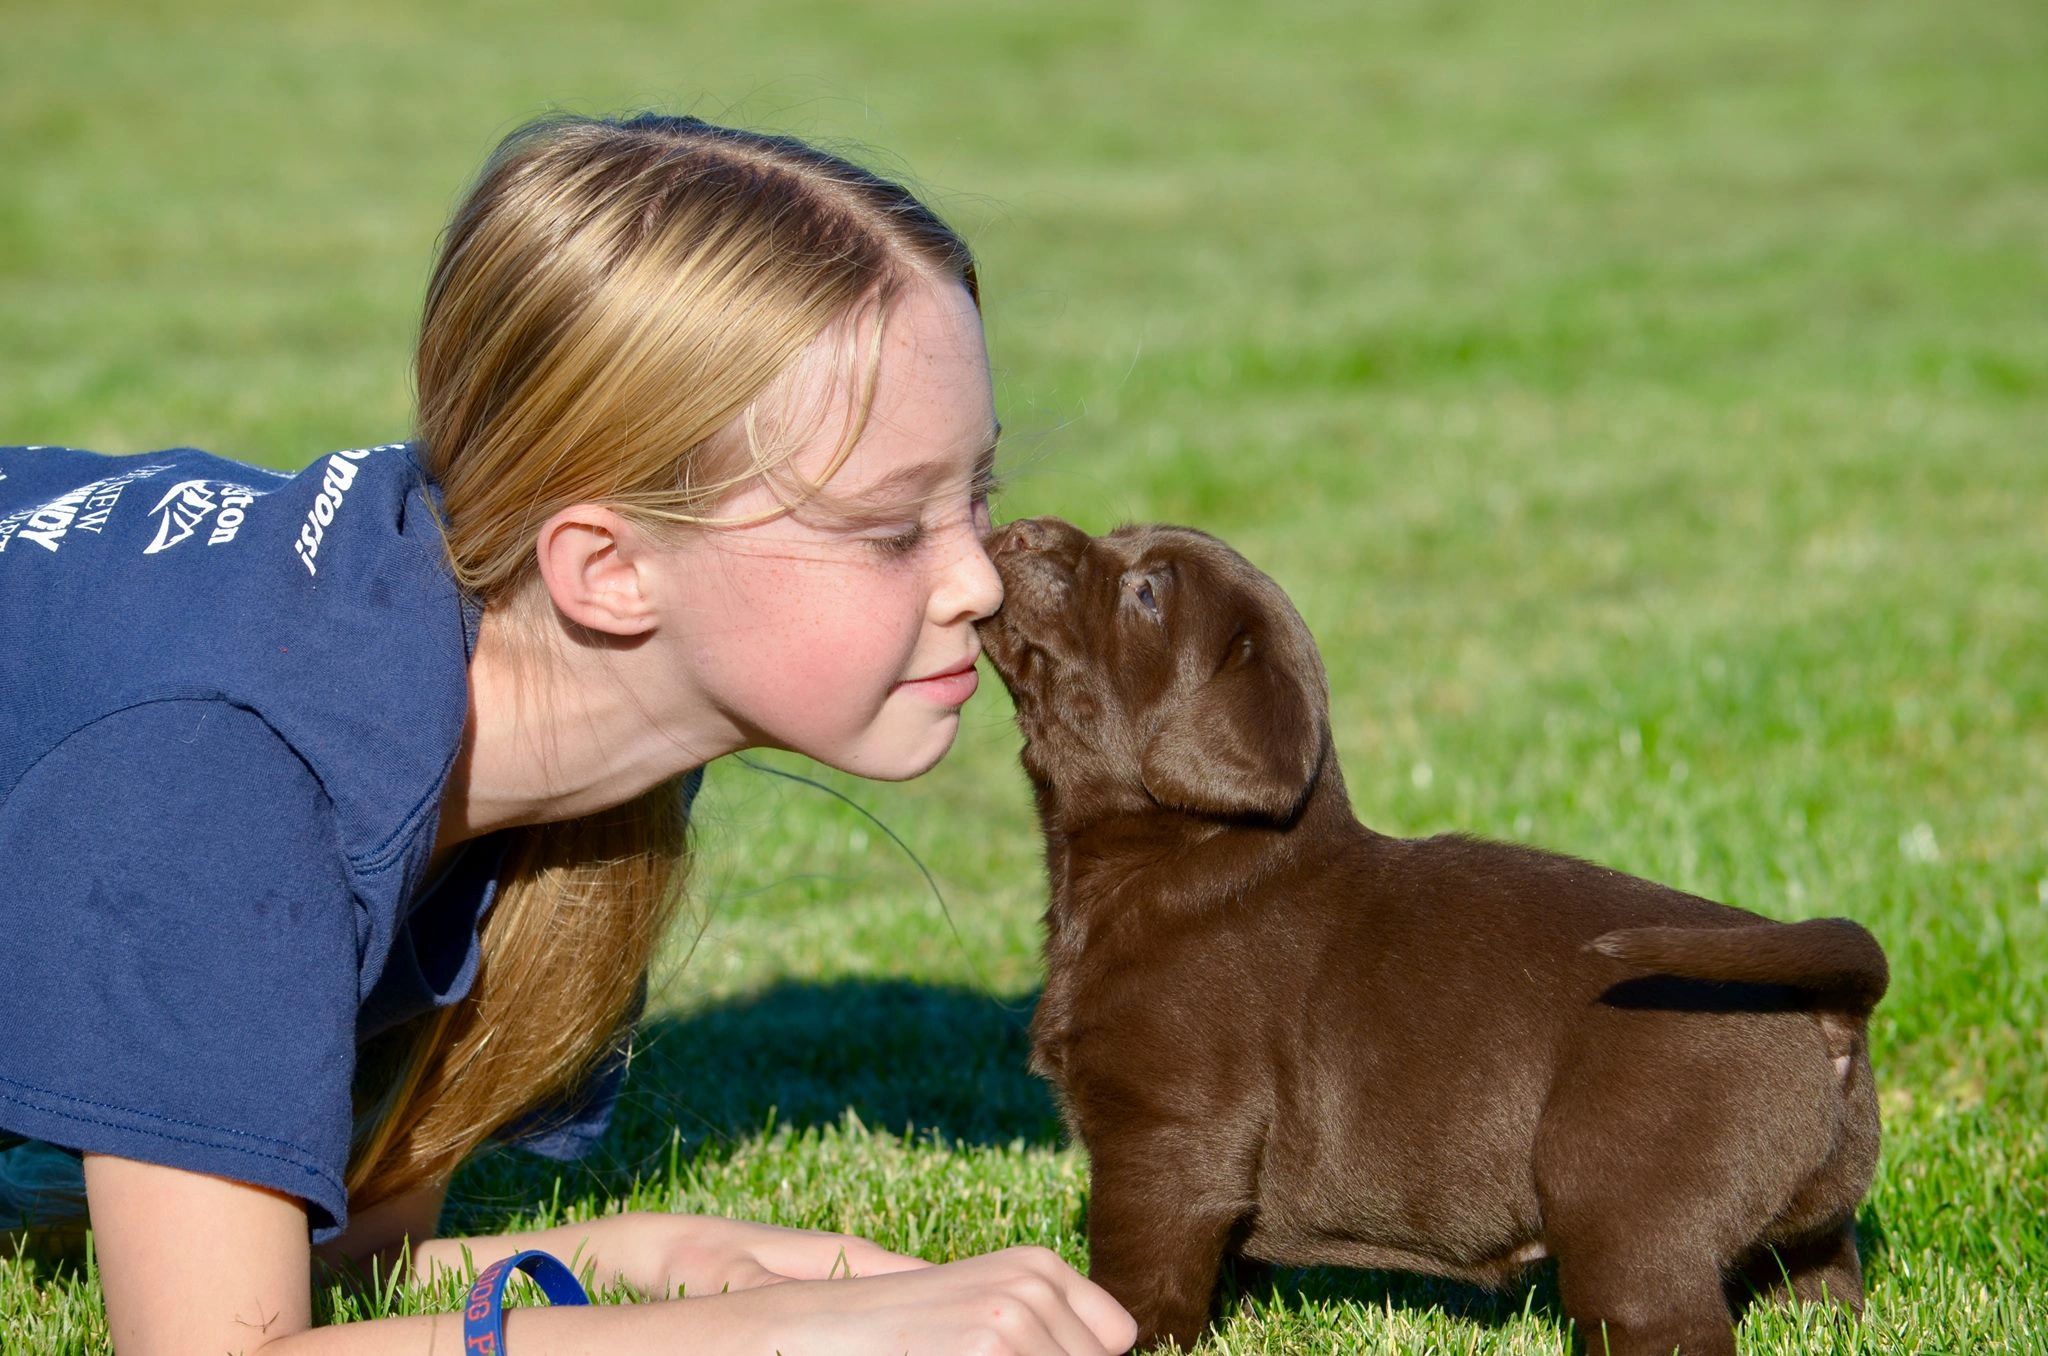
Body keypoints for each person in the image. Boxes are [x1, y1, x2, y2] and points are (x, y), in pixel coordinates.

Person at [0, 112, 1137, 1355]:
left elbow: (347, 1260)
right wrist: (787, 1337)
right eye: (886, 529)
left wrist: (661, 1254)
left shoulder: (578, 717)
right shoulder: (227, 772)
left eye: (973, 491)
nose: (977, 577)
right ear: (605, 569)